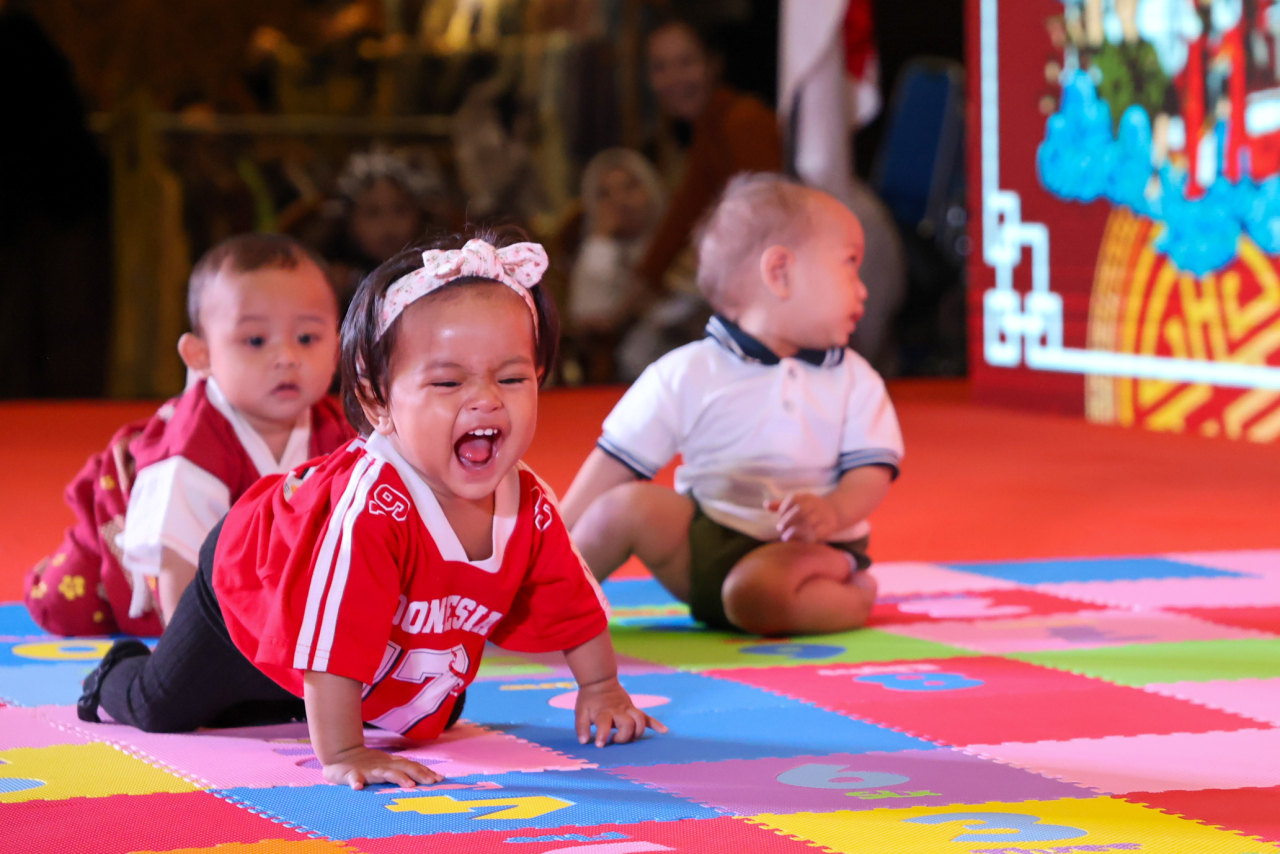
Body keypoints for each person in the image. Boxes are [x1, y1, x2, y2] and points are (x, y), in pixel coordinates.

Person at [77, 229, 665, 790]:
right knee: (164, 707)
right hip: (250, 586)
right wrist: (344, 753)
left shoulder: (529, 505)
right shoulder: (373, 509)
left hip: (355, 642)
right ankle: (115, 673)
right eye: (447, 384)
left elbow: (572, 600)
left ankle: (296, 696)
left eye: (511, 378)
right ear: (376, 401)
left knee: (429, 709)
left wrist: (602, 688)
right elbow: (332, 637)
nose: (486, 400)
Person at [560, 174, 902, 637]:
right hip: (706, 542)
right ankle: (550, 606)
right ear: (780, 272)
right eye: (849, 265)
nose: (862, 289)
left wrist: (834, 512)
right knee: (619, 509)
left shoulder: (852, 378)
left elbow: (871, 472)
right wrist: (550, 543)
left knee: (754, 592)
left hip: (806, 552)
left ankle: (855, 594)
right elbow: (612, 466)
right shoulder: (685, 371)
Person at [25, 234, 353, 638]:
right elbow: (176, 565)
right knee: (63, 604)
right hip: (139, 547)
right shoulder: (191, 448)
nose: (287, 357)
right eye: (255, 340)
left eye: (307, 338)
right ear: (201, 356)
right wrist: (190, 653)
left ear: (337, 349)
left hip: (250, 578)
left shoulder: (338, 433)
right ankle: (62, 565)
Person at [637, 17, 783, 295]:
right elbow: (685, 213)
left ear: (714, 64)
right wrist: (645, 279)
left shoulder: (743, 121)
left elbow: (772, 222)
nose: (673, 78)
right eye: (660, 67)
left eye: (685, 63)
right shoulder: (707, 131)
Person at [566, 148, 667, 382]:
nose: (620, 201)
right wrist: (601, 239)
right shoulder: (596, 250)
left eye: (630, 187)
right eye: (605, 194)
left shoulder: (674, 245)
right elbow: (591, 316)